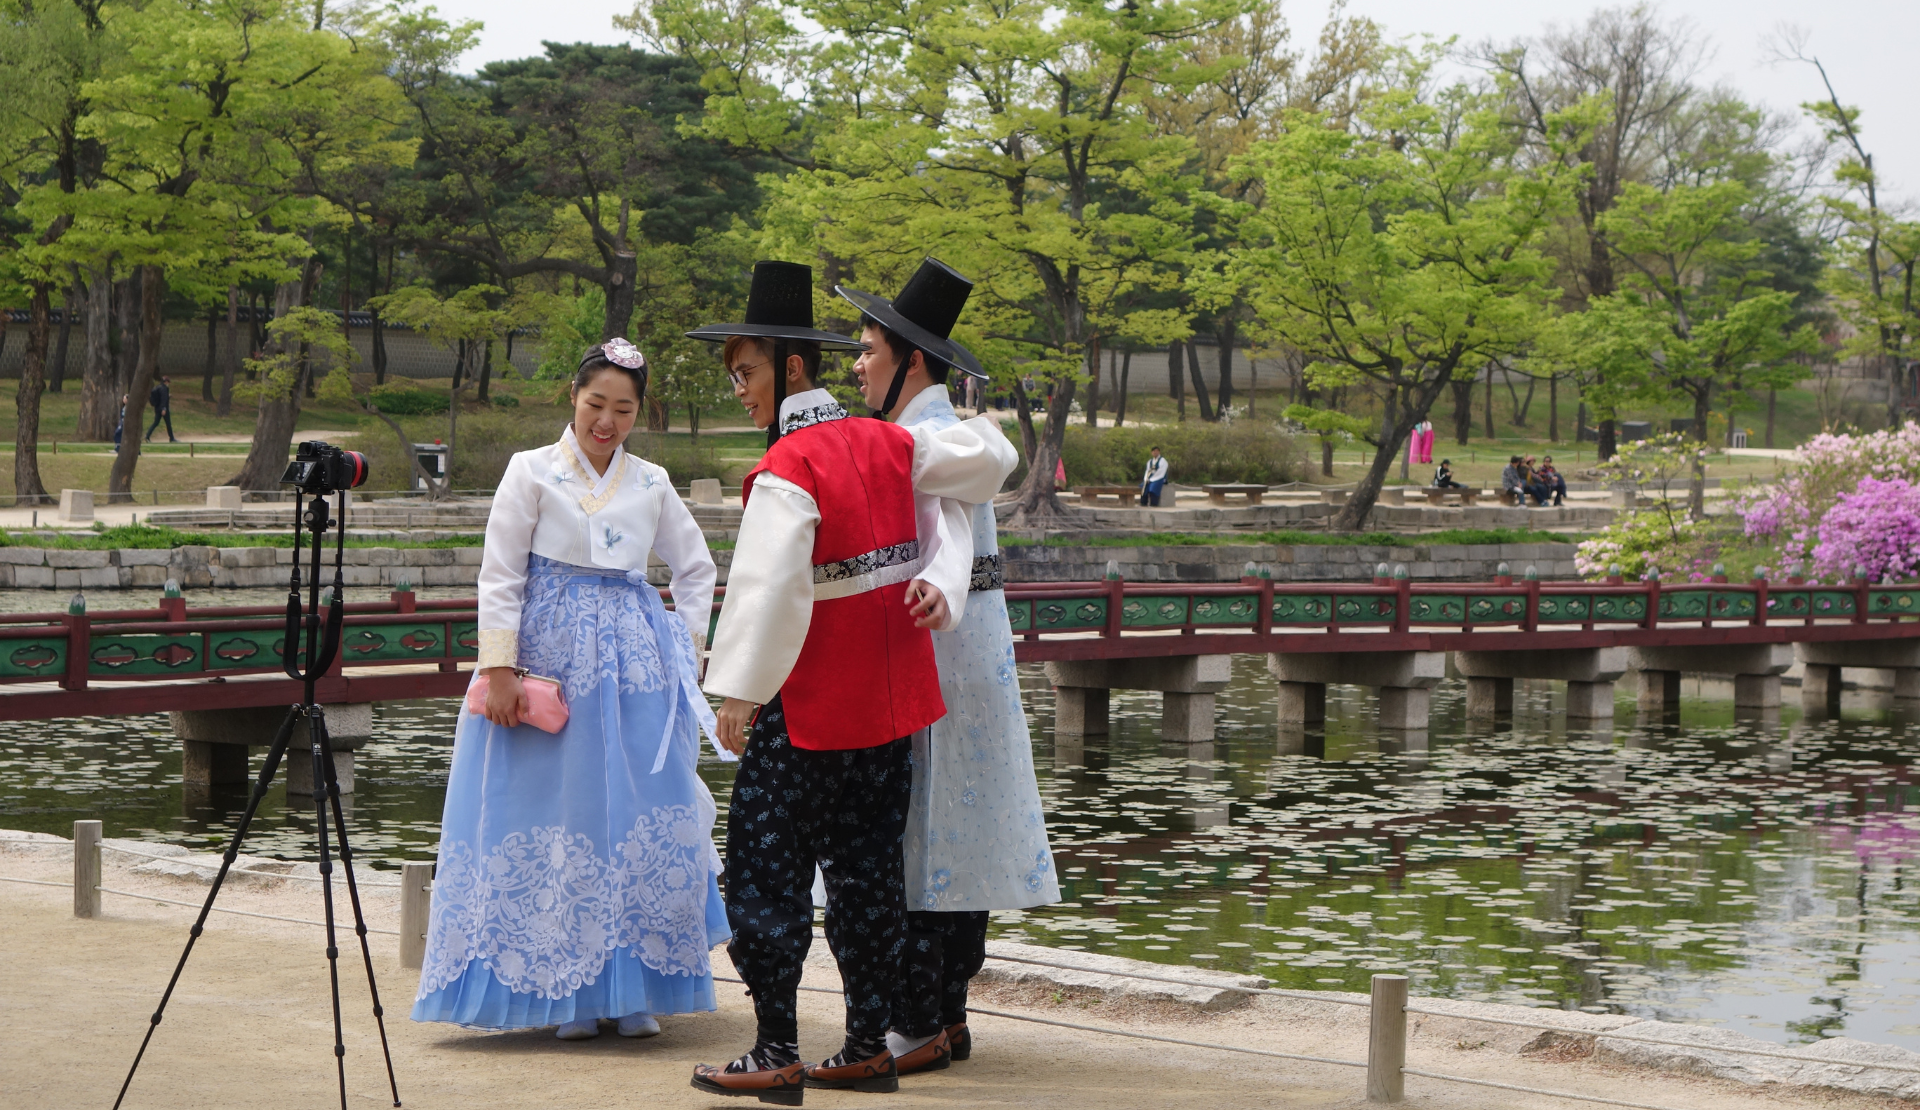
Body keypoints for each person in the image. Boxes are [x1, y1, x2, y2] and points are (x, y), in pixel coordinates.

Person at [688, 260, 1016, 1101]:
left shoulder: (790, 465)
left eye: (747, 372)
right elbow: (987, 461)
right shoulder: (890, 443)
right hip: (892, 712)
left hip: (809, 712)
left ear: (790, 368)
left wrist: (739, 694)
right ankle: (869, 1040)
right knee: (869, 874)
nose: (739, 390)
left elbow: (768, 589)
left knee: (767, 868)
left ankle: (775, 1049)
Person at [411, 339, 726, 1042]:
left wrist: (685, 646)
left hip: (634, 668)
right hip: (548, 663)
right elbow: (499, 574)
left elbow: (696, 566)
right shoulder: (530, 471)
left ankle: (634, 985)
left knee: (637, 808)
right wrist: (498, 669)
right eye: (596, 405)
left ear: (637, 413)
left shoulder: (651, 480)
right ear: (573, 399)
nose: (606, 422)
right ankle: (570, 991)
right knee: (558, 818)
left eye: (623, 409)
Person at [838, 259, 1058, 1077]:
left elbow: (984, 456)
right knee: (941, 826)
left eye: (868, 350)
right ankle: (940, 1016)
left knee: (924, 828)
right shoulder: (930, 435)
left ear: (911, 361)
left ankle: (923, 1017)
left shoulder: (941, 438)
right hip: (958, 652)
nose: (858, 364)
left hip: (944, 656)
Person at [145, 376, 177, 442]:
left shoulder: (158, 388)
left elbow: (160, 398)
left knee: (155, 423)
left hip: (157, 408)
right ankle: (172, 438)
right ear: (166, 382)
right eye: (168, 382)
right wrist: (164, 408)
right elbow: (163, 399)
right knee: (168, 423)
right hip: (163, 409)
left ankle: (147, 436)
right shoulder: (164, 389)